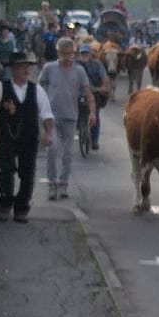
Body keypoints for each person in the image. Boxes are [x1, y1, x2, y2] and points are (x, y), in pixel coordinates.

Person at [0, 50, 53, 222]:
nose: (27, 71)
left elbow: (46, 114)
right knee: (6, 171)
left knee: (27, 173)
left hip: (29, 137)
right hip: (6, 136)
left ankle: (22, 207)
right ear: (14, 69)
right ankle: (5, 204)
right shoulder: (1, 87)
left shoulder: (36, 90)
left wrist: (48, 133)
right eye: (22, 67)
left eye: (27, 67)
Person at [40, 36, 95, 201]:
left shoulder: (79, 71)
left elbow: (88, 94)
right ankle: (52, 185)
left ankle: (63, 184)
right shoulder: (49, 68)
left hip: (70, 117)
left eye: (70, 54)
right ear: (58, 53)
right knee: (52, 149)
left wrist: (92, 112)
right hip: (50, 117)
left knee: (67, 153)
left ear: (73, 53)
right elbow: (39, 89)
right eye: (63, 53)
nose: (67, 57)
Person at [76, 41, 110, 151]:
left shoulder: (97, 64)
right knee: (73, 111)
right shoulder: (75, 64)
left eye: (86, 53)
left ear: (90, 54)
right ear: (79, 54)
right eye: (83, 53)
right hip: (79, 92)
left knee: (95, 115)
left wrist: (103, 87)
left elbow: (104, 77)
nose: (84, 55)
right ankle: (78, 127)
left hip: (94, 91)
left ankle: (94, 140)